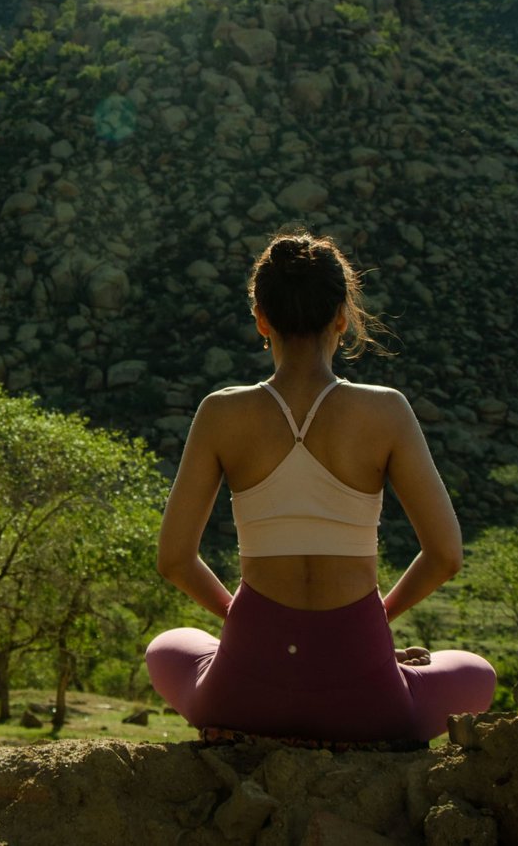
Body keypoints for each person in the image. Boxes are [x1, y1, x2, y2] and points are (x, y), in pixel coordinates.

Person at [145, 230, 495, 743]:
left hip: (243, 696)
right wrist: (372, 626)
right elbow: (445, 555)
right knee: (475, 672)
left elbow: (174, 560)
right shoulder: (387, 410)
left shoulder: (221, 413)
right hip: (367, 701)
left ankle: (247, 707)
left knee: (168, 646)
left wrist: (245, 625)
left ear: (261, 319)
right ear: (342, 318)